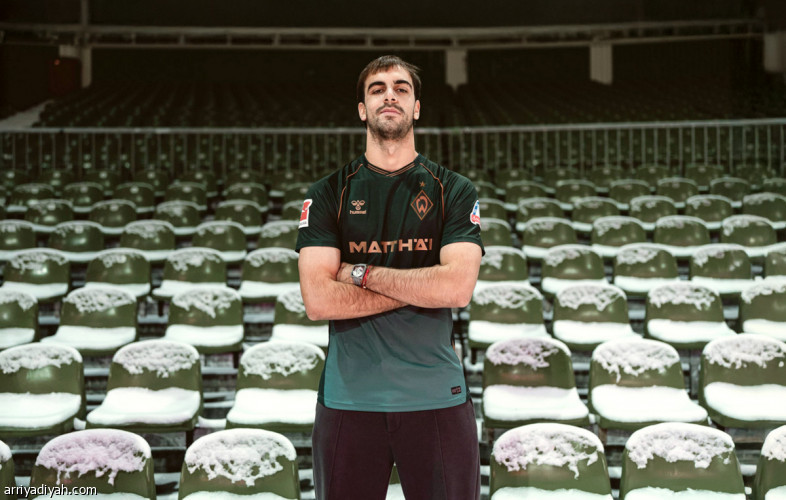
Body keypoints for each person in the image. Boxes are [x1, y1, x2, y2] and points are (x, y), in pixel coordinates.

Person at [296, 55, 483, 500]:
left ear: (416, 107)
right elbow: (318, 301)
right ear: (363, 109)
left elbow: (457, 289)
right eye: (377, 89)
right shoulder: (328, 193)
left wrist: (359, 274)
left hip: (437, 395)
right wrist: (425, 286)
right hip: (349, 399)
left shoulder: (454, 190)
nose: (390, 96)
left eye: (401, 88)